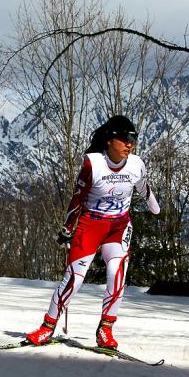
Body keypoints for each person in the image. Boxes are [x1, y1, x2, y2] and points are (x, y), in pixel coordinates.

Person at [25, 115, 160, 349]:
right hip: (91, 225)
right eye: (125, 138)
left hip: (118, 227)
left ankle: (105, 329)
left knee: (116, 274)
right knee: (74, 281)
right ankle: (47, 327)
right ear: (110, 140)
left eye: (134, 139)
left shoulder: (136, 164)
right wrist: (67, 228)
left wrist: (155, 208)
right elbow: (77, 198)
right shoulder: (92, 163)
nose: (130, 144)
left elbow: (144, 186)